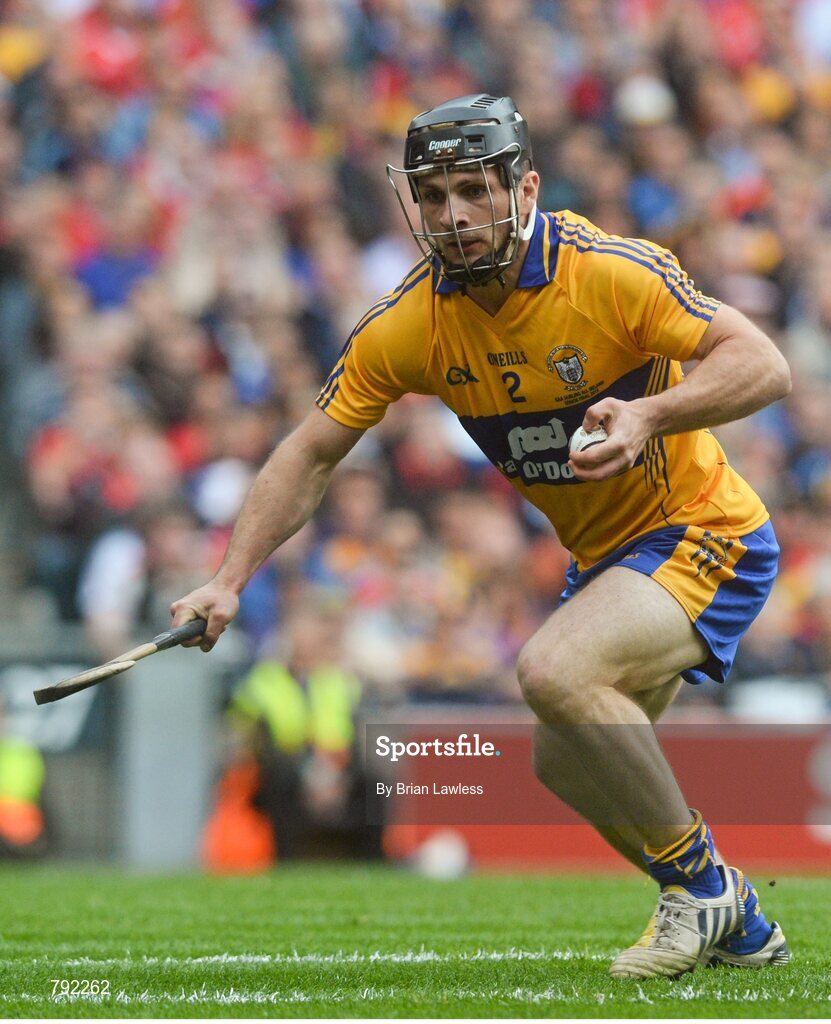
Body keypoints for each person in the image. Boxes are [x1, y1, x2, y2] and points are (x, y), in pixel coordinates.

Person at [171, 95, 792, 978]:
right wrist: (230, 577)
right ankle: (739, 923)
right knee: (564, 761)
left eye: (472, 189)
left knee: (552, 671)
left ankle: (698, 891)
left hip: (706, 530)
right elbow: (310, 452)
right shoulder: (411, 321)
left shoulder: (609, 271)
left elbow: (763, 364)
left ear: (524, 187)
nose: (452, 216)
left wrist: (650, 413)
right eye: (432, 197)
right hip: (609, 559)